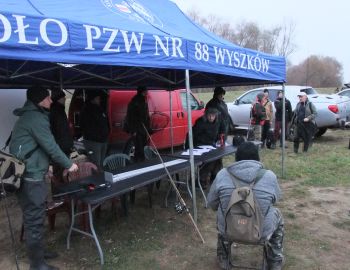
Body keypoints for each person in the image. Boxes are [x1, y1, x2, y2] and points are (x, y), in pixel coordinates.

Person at [9, 86, 78, 270]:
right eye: (47, 98)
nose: (50, 101)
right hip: (30, 177)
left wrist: (45, 166)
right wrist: (69, 164)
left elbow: (37, 146)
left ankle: (39, 252)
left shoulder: (31, 116)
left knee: (37, 216)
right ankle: (37, 264)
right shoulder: (36, 118)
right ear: (40, 100)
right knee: (34, 219)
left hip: (30, 173)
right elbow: (51, 146)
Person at [207, 141, 284, 270]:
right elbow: (275, 200)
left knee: (222, 211)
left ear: (236, 158)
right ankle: (275, 261)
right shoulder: (270, 176)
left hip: (229, 230)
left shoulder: (222, 175)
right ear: (257, 158)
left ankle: (223, 258)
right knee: (277, 214)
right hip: (260, 232)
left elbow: (212, 204)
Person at [191, 107, 222, 188]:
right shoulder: (200, 122)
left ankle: (214, 176)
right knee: (209, 160)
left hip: (211, 146)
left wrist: (218, 138)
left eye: (213, 116)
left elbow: (216, 134)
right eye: (209, 115)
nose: (211, 118)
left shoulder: (216, 122)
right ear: (206, 115)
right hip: (199, 145)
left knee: (218, 157)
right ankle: (202, 180)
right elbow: (194, 136)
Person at [80, 90, 109, 168]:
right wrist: (96, 136)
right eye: (97, 98)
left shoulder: (100, 109)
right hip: (93, 142)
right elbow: (85, 126)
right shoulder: (86, 110)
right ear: (92, 99)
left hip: (102, 140)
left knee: (101, 164)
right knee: (95, 164)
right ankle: (96, 179)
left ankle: (101, 177)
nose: (99, 100)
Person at [49, 90, 74, 181]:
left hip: (62, 148)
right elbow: (59, 132)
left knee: (62, 172)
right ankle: (59, 192)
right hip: (60, 149)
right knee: (59, 173)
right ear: (58, 99)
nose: (64, 99)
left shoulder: (59, 110)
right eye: (63, 97)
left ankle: (61, 191)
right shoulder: (56, 111)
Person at [125, 86, 151, 162]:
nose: (147, 92)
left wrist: (148, 128)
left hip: (142, 129)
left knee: (141, 147)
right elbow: (131, 117)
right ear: (143, 91)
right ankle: (139, 164)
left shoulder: (142, 100)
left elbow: (145, 116)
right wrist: (133, 131)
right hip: (138, 129)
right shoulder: (136, 102)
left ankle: (140, 162)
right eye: (146, 90)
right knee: (139, 148)